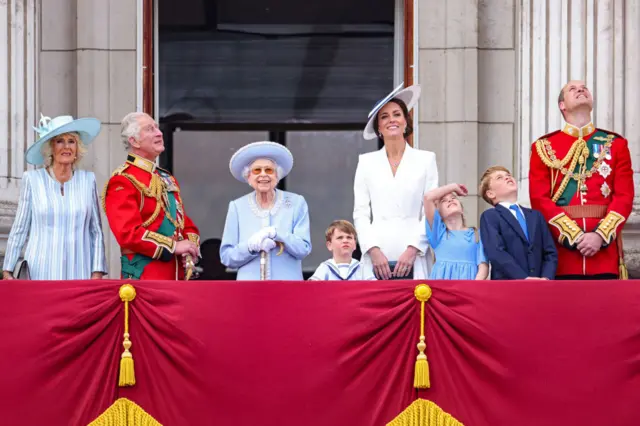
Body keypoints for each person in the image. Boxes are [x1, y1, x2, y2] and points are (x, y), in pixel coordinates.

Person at [529, 80, 634, 279]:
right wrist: (574, 236)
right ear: (562, 105)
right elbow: (539, 199)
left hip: (604, 253)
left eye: (584, 88)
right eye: (573, 89)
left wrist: (600, 235)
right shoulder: (543, 147)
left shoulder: (616, 144)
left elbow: (624, 196)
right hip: (563, 255)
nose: (581, 89)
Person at [2, 114, 107, 280]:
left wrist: (97, 271)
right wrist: (8, 269)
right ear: (50, 147)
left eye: (71, 141)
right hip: (41, 272)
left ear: (77, 148)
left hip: (80, 272)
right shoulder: (32, 180)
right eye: (60, 141)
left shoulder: (88, 180)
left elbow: (96, 231)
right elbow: (20, 228)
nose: (66, 147)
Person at [354, 83, 438, 280]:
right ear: (379, 128)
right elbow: (361, 212)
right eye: (384, 116)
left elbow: (430, 209)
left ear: (406, 122)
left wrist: (413, 249)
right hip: (377, 254)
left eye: (396, 114)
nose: (391, 119)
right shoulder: (366, 162)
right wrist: (373, 250)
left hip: (415, 252)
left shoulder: (426, 159)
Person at [103, 112, 200, 280]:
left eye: (156, 127)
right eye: (150, 129)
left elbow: (183, 223)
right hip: (144, 278)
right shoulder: (122, 180)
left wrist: (190, 248)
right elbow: (128, 234)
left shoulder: (166, 177)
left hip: (176, 277)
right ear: (134, 141)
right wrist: (173, 246)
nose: (159, 132)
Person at [220, 141, 312, 280]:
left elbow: (303, 249)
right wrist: (250, 247)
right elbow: (227, 257)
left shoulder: (296, 203)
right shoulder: (237, 207)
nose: (263, 175)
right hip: (250, 290)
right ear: (248, 177)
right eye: (257, 170)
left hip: (288, 288)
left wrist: (277, 234)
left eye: (269, 170)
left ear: (277, 176)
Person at [479, 166, 558, 280]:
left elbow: (550, 252)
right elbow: (496, 252)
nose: (507, 178)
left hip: (541, 285)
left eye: (508, 175)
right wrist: (523, 278)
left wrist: (546, 277)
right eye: (499, 178)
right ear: (491, 194)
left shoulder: (536, 216)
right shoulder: (490, 216)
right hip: (508, 286)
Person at [423, 184, 488, 280]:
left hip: (468, 286)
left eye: (453, 198)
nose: (450, 200)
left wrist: (473, 289)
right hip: (442, 288)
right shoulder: (438, 233)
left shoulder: (477, 234)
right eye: (443, 201)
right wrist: (453, 187)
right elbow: (428, 198)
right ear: (438, 213)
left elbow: (483, 267)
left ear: (462, 209)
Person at [308, 220, 376, 281]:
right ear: (329, 245)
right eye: (340, 238)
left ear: (355, 245)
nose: (345, 240)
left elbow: (375, 287)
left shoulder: (362, 268)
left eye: (349, 237)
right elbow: (312, 287)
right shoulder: (325, 267)